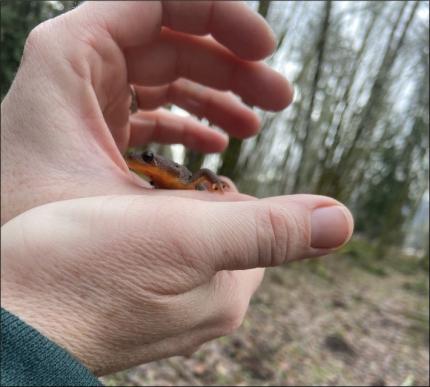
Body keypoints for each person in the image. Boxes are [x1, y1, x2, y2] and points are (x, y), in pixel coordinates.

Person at [0, 1, 354, 385]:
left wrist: (213, 184)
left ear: (164, 165)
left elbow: (201, 173)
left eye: (149, 158)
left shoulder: (185, 179)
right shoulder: (156, 181)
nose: (141, 161)